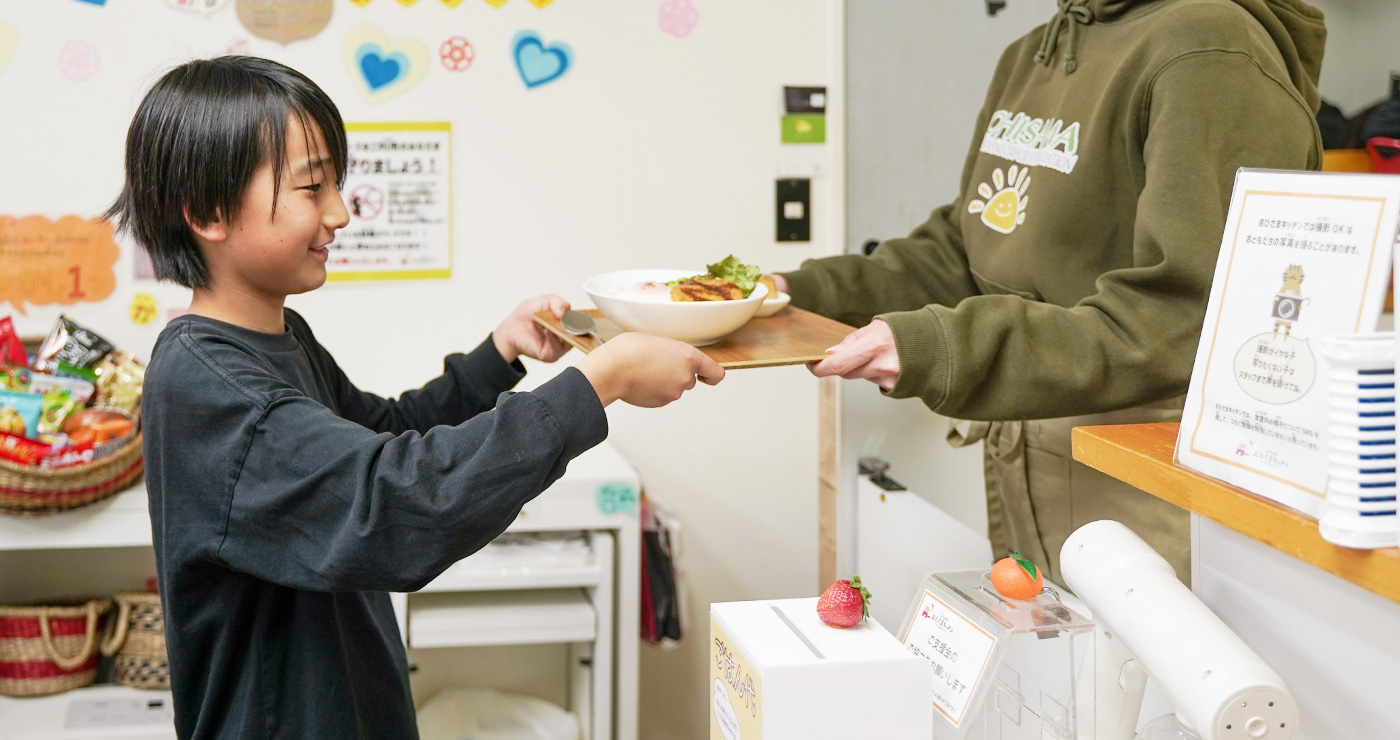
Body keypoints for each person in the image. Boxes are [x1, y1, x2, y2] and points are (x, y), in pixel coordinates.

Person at [104, 56, 724, 740]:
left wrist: (499, 355)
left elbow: (383, 432)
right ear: (207, 212)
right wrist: (599, 383)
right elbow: (397, 500)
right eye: (312, 187)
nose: (338, 212)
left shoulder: (274, 339)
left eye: (335, 184)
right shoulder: (208, 386)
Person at [773, 0, 1325, 586]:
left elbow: (1192, 319)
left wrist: (946, 346)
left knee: (1138, 673)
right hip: (1032, 462)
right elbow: (968, 246)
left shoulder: (1209, 47)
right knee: (1046, 669)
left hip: (1143, 471)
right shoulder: (1034, 49)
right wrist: (797, 292)